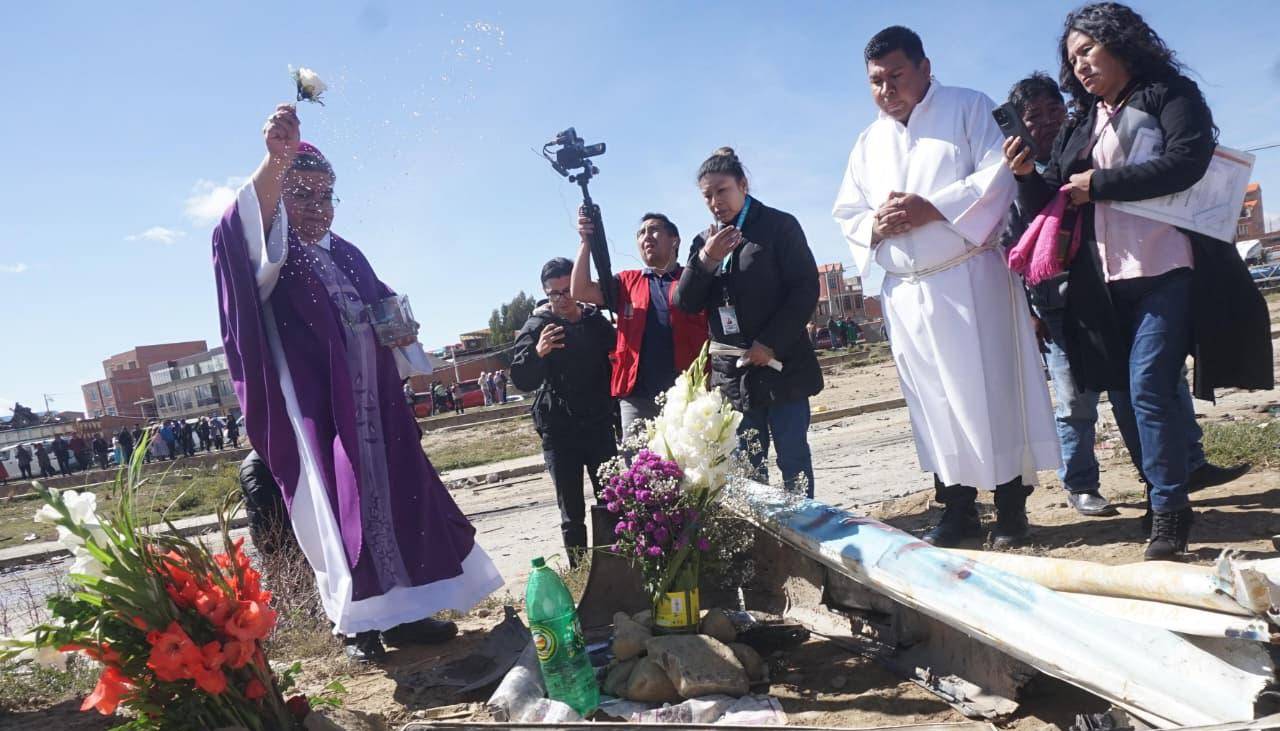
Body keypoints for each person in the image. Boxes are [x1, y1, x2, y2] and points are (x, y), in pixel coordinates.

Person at [212, 104, 500, 660]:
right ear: (280, 199)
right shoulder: (276, 254)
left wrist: (401, 332)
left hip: (377, 408)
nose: (317, 207)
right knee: (340, 510)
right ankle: (357, 628)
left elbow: (384, 310)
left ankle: (405, 617)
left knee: (398, 500)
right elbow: (236, 231)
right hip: (321, 411)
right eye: (301, 195)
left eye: (326, 196)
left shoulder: (347, 253)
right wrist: (275, 162)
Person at [1006, 4, 1273, 559]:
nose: (1079, 66)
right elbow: (1056, 200)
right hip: (1101, 284)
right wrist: (1028, 176)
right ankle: (1163, 495)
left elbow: (1186, 162)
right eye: (1072, 58)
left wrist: (1099, 185)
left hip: (1167, 269)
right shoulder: (1083, 121)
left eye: (1088, 51)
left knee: (1150, 386)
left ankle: (1170, 512)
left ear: (1119, 43)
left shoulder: (1168, 96)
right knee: (1128, 393)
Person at [832, 26, 1060, 548]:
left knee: (993, 393)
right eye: (876, 81)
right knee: (932, 402)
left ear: (925, 68)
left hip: (970, 278)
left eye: (896, 75)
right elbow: (848, 211)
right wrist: (875, 225)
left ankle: (1010, 509)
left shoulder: (968, 108)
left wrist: (931, 208)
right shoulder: (867, 143)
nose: (886, 90)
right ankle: (957, 509)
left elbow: (999, 175)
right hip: (907, 292)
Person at [675, 147, 823, 497]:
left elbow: (805, 289)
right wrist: (707, 260)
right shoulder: (704, 242)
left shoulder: (779, 227)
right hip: (734, 375)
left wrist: (770, 342)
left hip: (782, 366)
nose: (715, 202)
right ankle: (762, 532)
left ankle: (802, 528)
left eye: (722, 190)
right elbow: (686, 303)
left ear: (743, 185)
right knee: (747, 465)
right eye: (707, 195)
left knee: (793, 459)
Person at [511, 257, 618, 566]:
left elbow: (620, 355)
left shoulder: (595, 322)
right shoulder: (537, 327)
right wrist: (538, 353)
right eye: (554, 293)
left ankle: (614, 567)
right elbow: (522, 380)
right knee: (571, 510)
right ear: (546, 294)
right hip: (559, 431)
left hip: (599, 425)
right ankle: (579, 570)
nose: (562, 299)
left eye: (567, 290)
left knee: (611, 500)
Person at [570, 210, 709, 435]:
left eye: (654, 230)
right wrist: (586, 242)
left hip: (689, 393)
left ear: (675, 240)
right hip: (637, 396)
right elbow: (580, 290)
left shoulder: (693, 280)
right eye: (641, 233)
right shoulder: (626, 282)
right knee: (638, 457)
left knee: (692, 455)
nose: (646, 236)